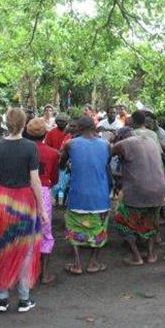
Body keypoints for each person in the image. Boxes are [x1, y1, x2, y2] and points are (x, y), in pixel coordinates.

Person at [0, 108, 48, 313]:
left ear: (6, 124)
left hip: (0, 201)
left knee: (0, 247)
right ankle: (24, 300)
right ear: (24, 124)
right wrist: (42, 208)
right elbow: (35, 181)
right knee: (25, 250)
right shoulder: (30, 147)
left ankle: (1, 299)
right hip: (24, 201)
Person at [60, 117, 110, 275]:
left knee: (73, 225)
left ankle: (77, 263)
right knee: (100, 228)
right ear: (94, 128)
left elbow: (61, 164)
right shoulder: (106, 144)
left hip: (77, 194)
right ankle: (93, 262)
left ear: (79, 128)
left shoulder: (71, 144)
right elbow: (104, 164)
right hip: (100, 194)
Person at [112, 122, 165, 266]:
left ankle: (136, 256)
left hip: (138, 190)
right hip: (158, 189)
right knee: (151, 222)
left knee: (123, 221)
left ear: (121, 137)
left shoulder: (123, 144)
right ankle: (151, 254)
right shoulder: (151, 141)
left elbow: (107, 155)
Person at [25, 117, 60, 285]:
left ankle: (25, 273)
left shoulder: (22, 150)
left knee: (25, 232)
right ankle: (44, 273)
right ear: (46, 133)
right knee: (46, 232)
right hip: (44, 192)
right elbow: (54, 178)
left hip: (23, 193)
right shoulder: (53, 153)